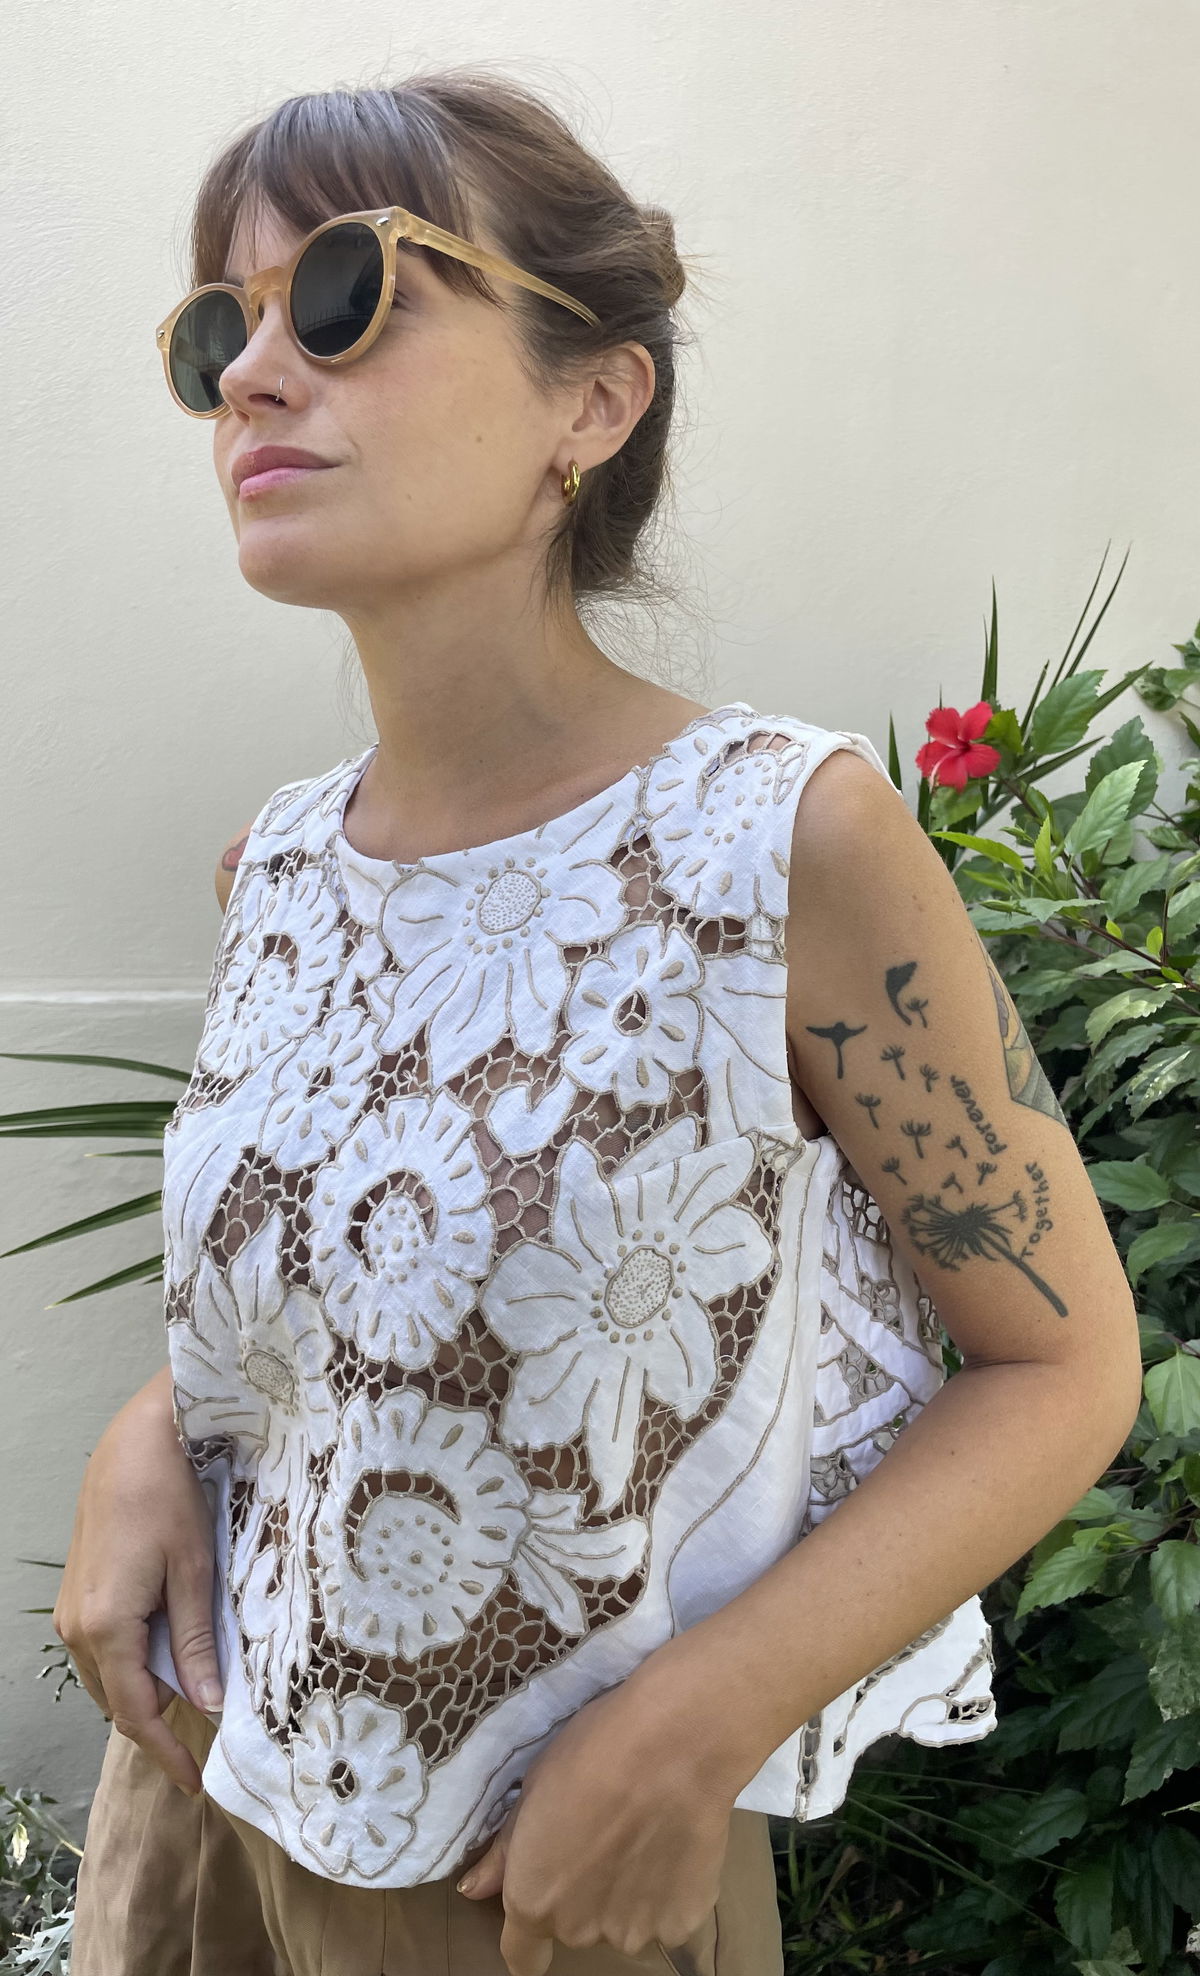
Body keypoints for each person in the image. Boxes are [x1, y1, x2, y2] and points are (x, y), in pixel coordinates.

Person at [58, 66, 1143, 1976]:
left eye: (346, 297)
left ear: (595, 398)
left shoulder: (779, 846)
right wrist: (155, 1428)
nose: (254, 377)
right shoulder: (283, 869)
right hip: (206, 1803)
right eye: (220, 329)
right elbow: (351, 1299)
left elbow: (1062, 1367)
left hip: (535, 1881)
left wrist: (698, 1725)